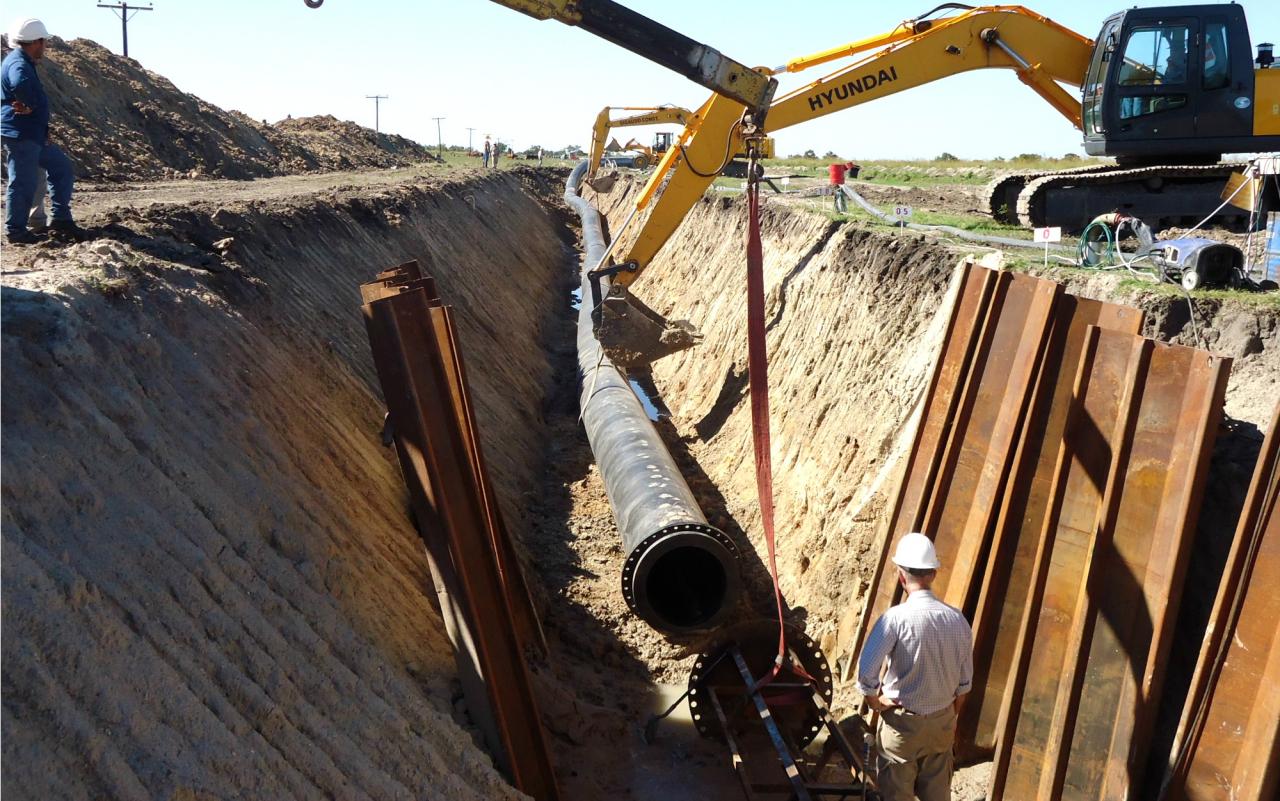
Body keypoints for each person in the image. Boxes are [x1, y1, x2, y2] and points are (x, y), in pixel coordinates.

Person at [856, 532, 973, 801]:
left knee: (896, 794)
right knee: (937, 793)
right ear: (932, 574)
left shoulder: (894, 620)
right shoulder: (958, 620)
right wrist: (948, 716)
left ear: (901, 576)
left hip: (902, 725)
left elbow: (865, 675)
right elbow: (965, 684)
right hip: (942, 722)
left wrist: (876, 704)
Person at [2, 18, 83, 244]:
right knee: (22, 182)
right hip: (21, 134)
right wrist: (27, 104)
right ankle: (16, 231)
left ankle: (61, 218)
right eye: (44, 42)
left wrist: (42, 127)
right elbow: (20, 85)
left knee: (62, 167)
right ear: (36, 41)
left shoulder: (22, 61)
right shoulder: (19, 63)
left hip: (33, 134)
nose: (45, 46)